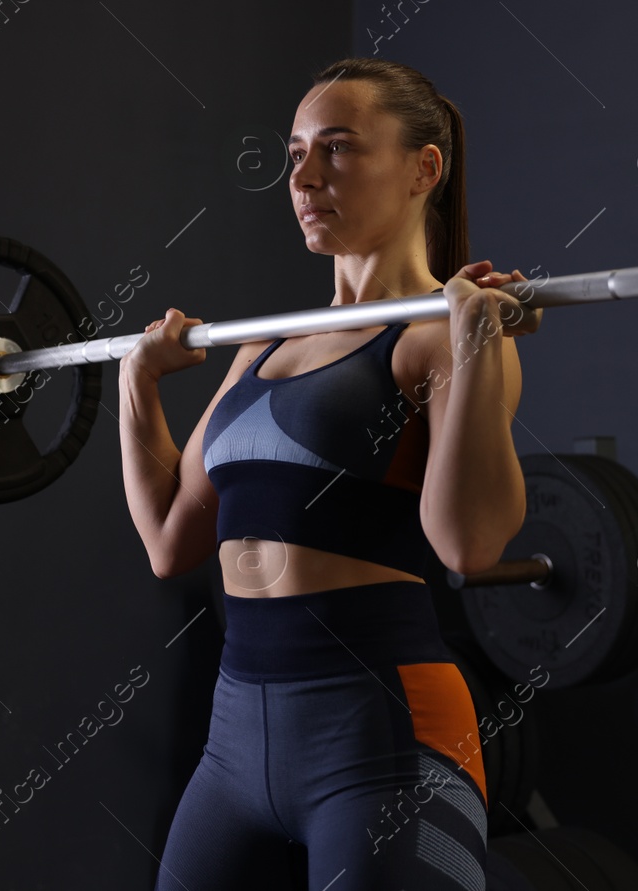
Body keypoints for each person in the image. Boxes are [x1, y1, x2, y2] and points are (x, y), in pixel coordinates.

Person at [118, 57, 541, 890]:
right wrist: (137, 382)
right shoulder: (259, 348)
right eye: (295, 154)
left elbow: (470, 542)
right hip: (236, 737)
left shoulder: (434, 336)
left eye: (337, 150)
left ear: (425, 168)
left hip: (385, 734)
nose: (305, 177)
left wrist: (477, 341)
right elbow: (170, 539)